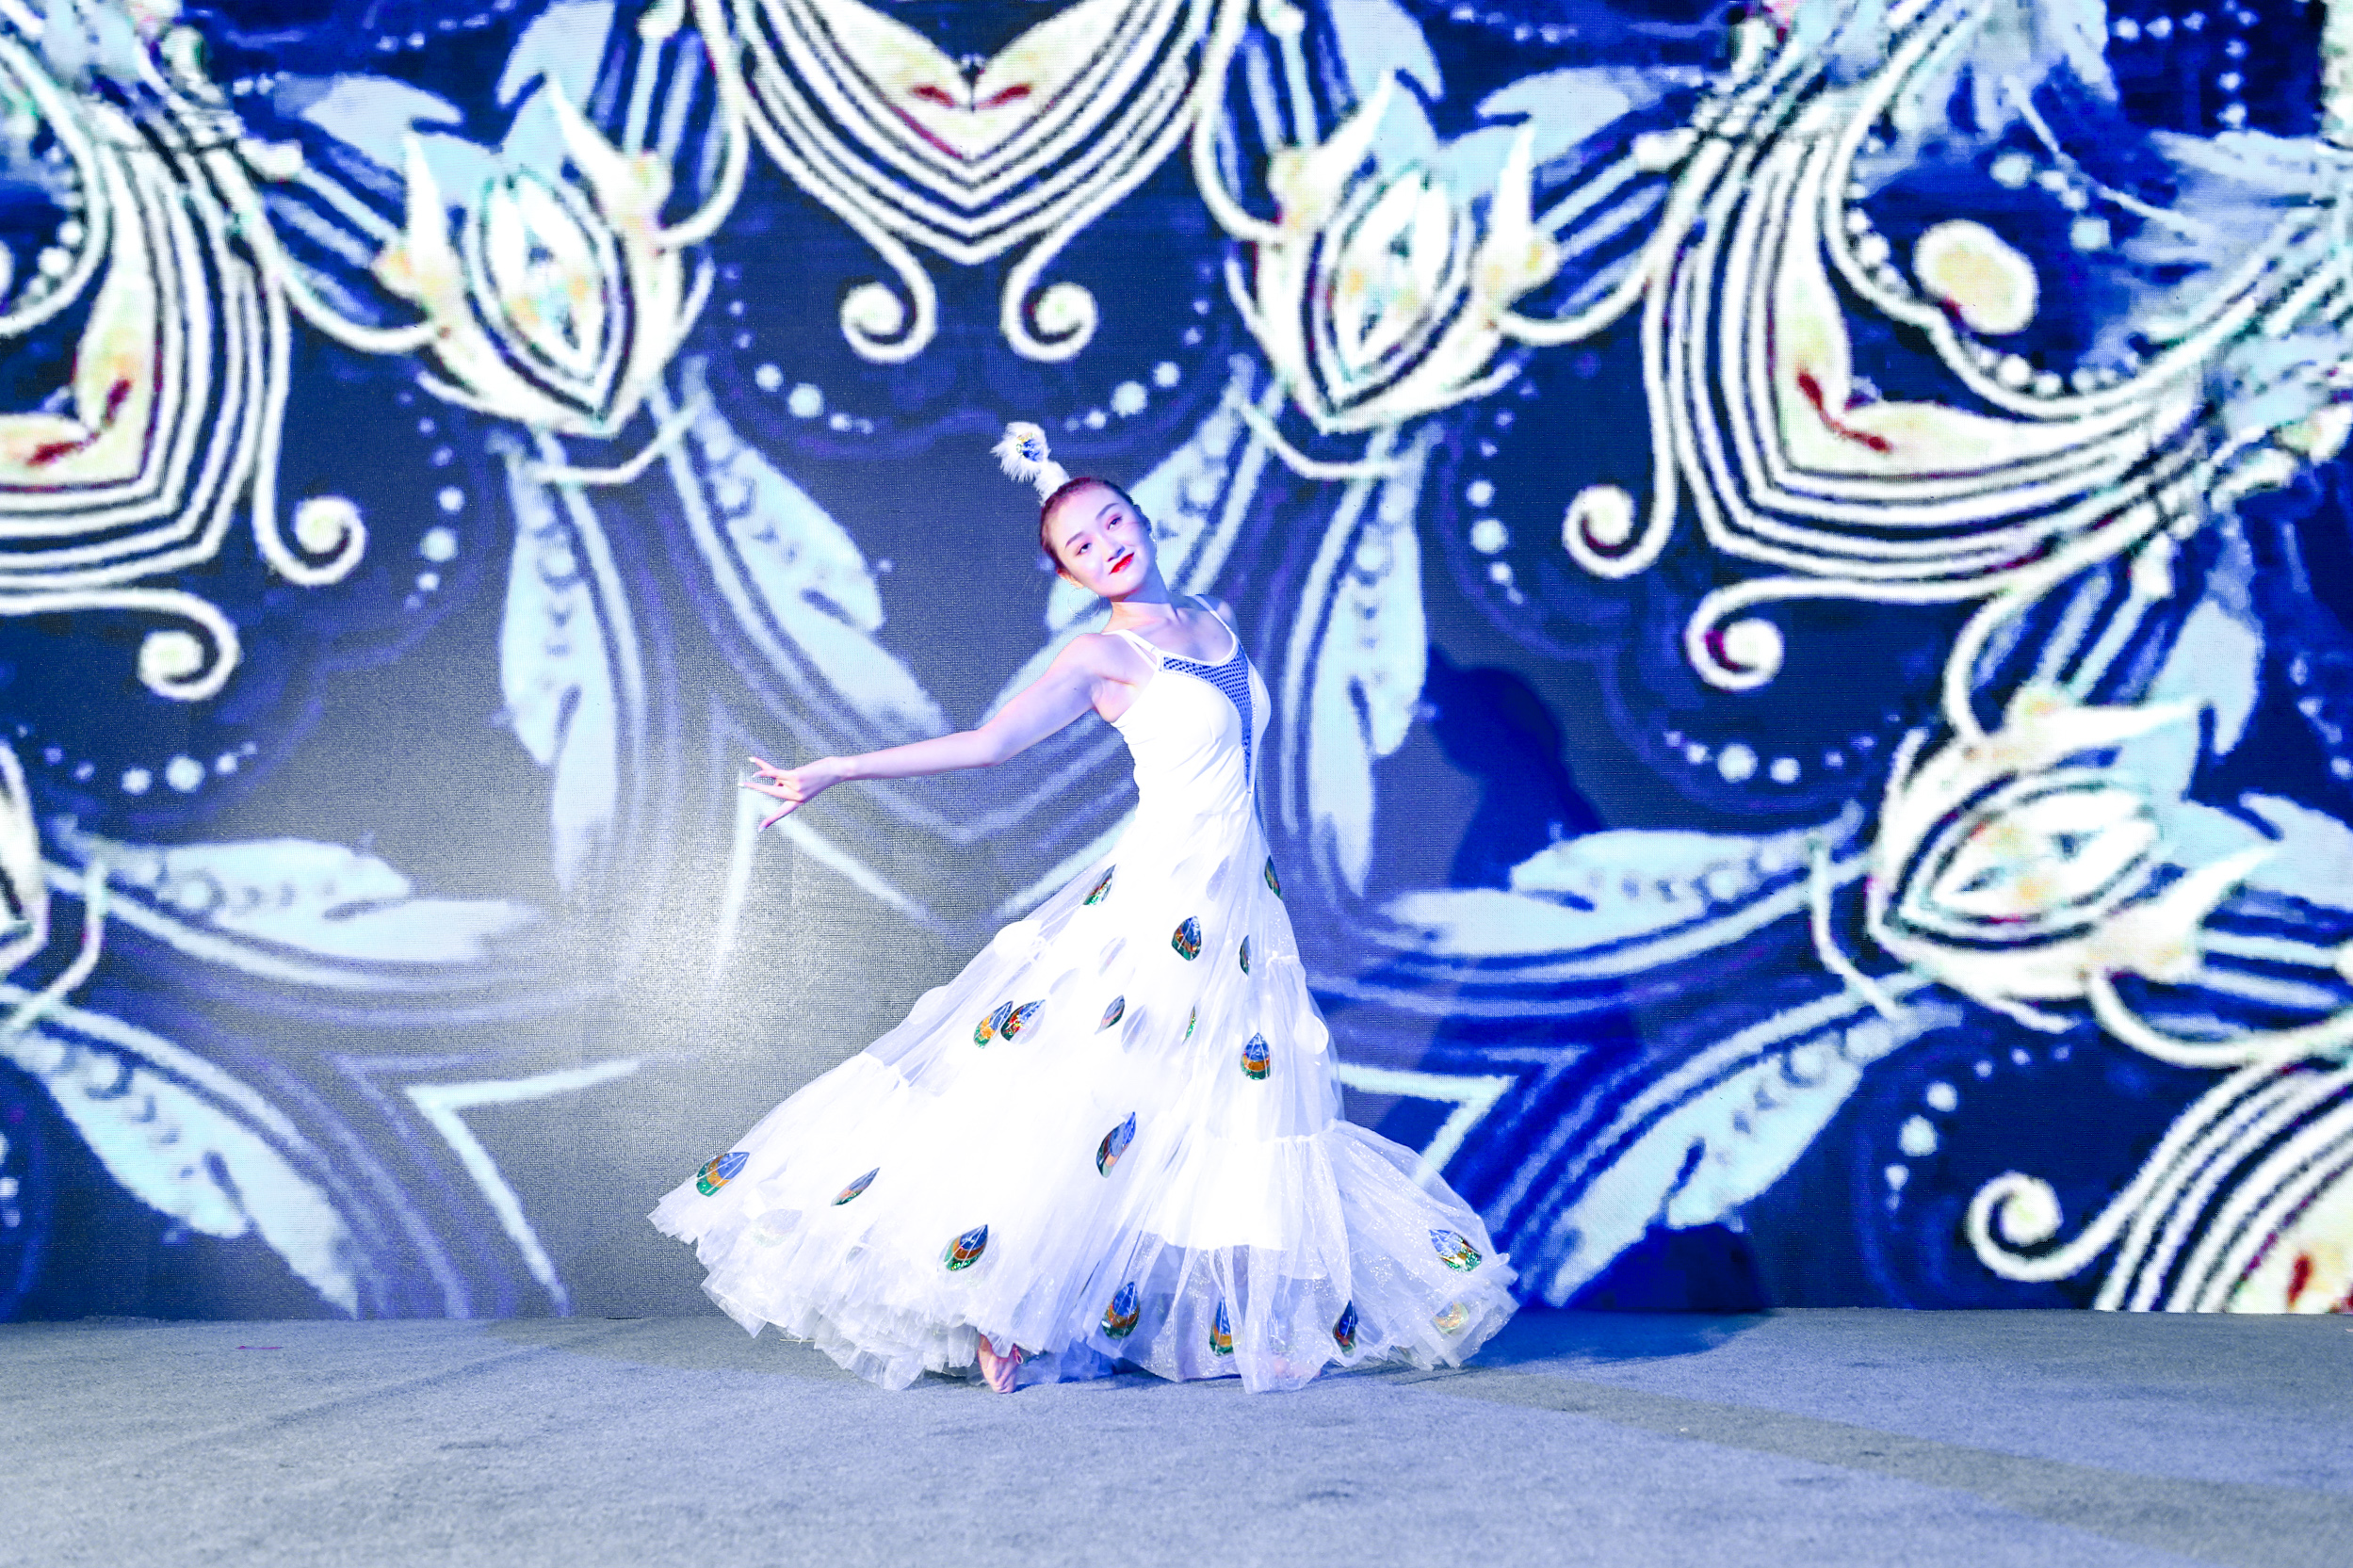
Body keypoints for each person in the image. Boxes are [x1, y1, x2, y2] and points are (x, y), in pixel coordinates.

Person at [649, 424, 1516, 1393]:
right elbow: (988, 746)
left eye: (1111, 523)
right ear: (1069, 574)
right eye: (1079, 546)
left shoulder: (1214, 618)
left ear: (1142, 521)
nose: (1104, 545)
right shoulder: (1101, 657)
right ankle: (1001, 1307)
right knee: (1098, 1095)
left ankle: (1245, 1320)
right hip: (1163, 903)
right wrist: (837, 770)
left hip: (1243, 908)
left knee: (1245, 1099)